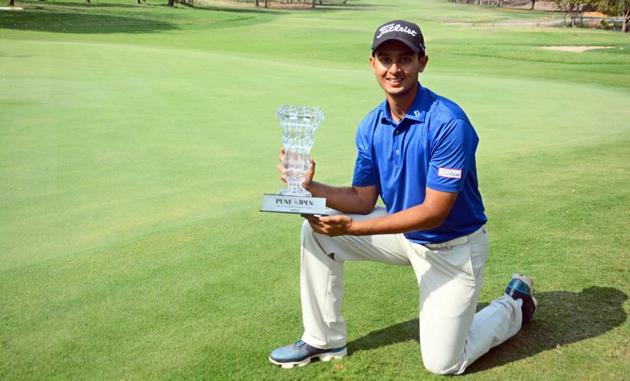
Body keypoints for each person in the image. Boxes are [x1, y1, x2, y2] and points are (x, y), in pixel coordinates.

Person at [268, 19, 537, 375]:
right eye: (385, 58)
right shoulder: (371, 125)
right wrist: (310, 188)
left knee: (445, 362)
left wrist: (352, 228)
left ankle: (514, 304)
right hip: (403, 235)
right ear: (372, 64)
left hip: (452, 249)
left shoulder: (448, 123)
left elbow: (433, 212)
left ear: (422, 62)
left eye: (405, 59)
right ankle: (324, 338)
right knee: (315, 233)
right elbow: (364, 198)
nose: (394, 69)